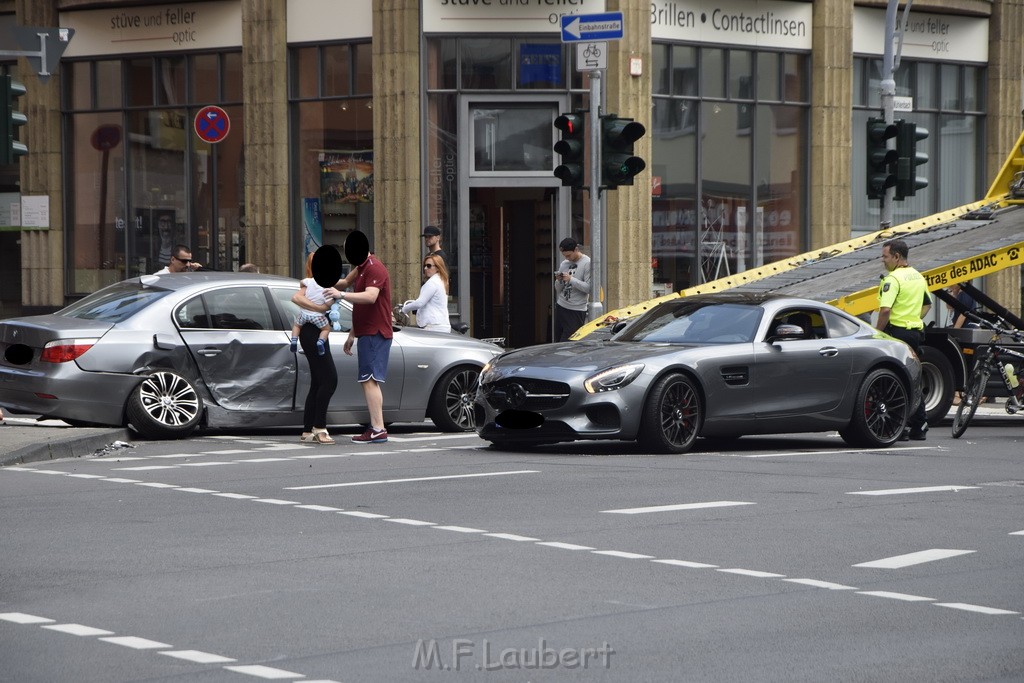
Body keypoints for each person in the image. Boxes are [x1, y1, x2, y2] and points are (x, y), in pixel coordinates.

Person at [325, 249, 393, 444]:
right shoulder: (362, 267)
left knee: (369, 380)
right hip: (367, 332)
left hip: (375, 333)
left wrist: (341, 295)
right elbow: (345, 283)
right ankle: (377, 427)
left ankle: (378, 428)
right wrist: (353, 333)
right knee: (370, 380)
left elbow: (370, 297)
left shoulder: (374, 267)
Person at [877, 238, 929, 441]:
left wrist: (877, 334)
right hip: (914, 333)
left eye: (885, 256)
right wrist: (913, 318)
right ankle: (919, 425)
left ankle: (900, 427)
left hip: (896, 334)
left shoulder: (892, 279)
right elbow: (927, 305)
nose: (883, 260)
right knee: (912, 379)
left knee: (893, 381)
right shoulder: (918, 276)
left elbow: (886, 310)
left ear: (897, 257)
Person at [290, 273, 339, 445]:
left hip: (309, 330)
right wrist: (319, 309)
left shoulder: (323, 283)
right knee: (330, 379)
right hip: (312, 331)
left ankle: (307, 429)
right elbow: (295, 297)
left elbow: (346, 282)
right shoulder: (312, 283)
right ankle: (319, 428)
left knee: (318, 381)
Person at [290, 253, 333, 356]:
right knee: (326, 329)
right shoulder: (327, 286)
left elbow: (301, 283)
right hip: (318, 317)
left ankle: (294, 340)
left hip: (304, 315)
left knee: (296, 326)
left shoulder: (308, 282)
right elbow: (328, 304)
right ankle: (321, 341)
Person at [553, 237, 592, 342]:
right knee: (557, 343)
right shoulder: (564, 264)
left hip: (576, 310)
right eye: (565, 256)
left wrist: (571, 279)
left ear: (576, 249)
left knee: (568, 344)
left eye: (569, 255)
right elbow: (558, 290)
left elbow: (589, 288)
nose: (567, 258)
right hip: (561, 306)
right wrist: (559, 281)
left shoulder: (587, 263)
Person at [401, 254, 452, 333]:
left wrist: (404, 309)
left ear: (438, 268)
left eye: (429, 266)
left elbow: (420, 303)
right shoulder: (441, 281)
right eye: (424, 266)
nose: (425, 268)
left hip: (433, 326)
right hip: (441, 325)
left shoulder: (432, 282)